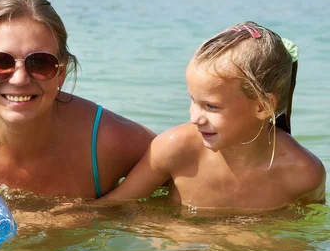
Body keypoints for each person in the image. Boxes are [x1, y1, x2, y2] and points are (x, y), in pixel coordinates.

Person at [0, 0, 155, 199]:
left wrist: (111, 208)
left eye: (40, 63)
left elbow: (184, 156)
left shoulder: (104, 141)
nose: (19, 79)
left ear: (62, 71)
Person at [101, 21, 326, 210]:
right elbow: (115, 206)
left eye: (211, 106)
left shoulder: (303, 174)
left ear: (262, 107)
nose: (194, 118)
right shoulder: (175, 149)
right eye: (193, 100)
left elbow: (301, 240)